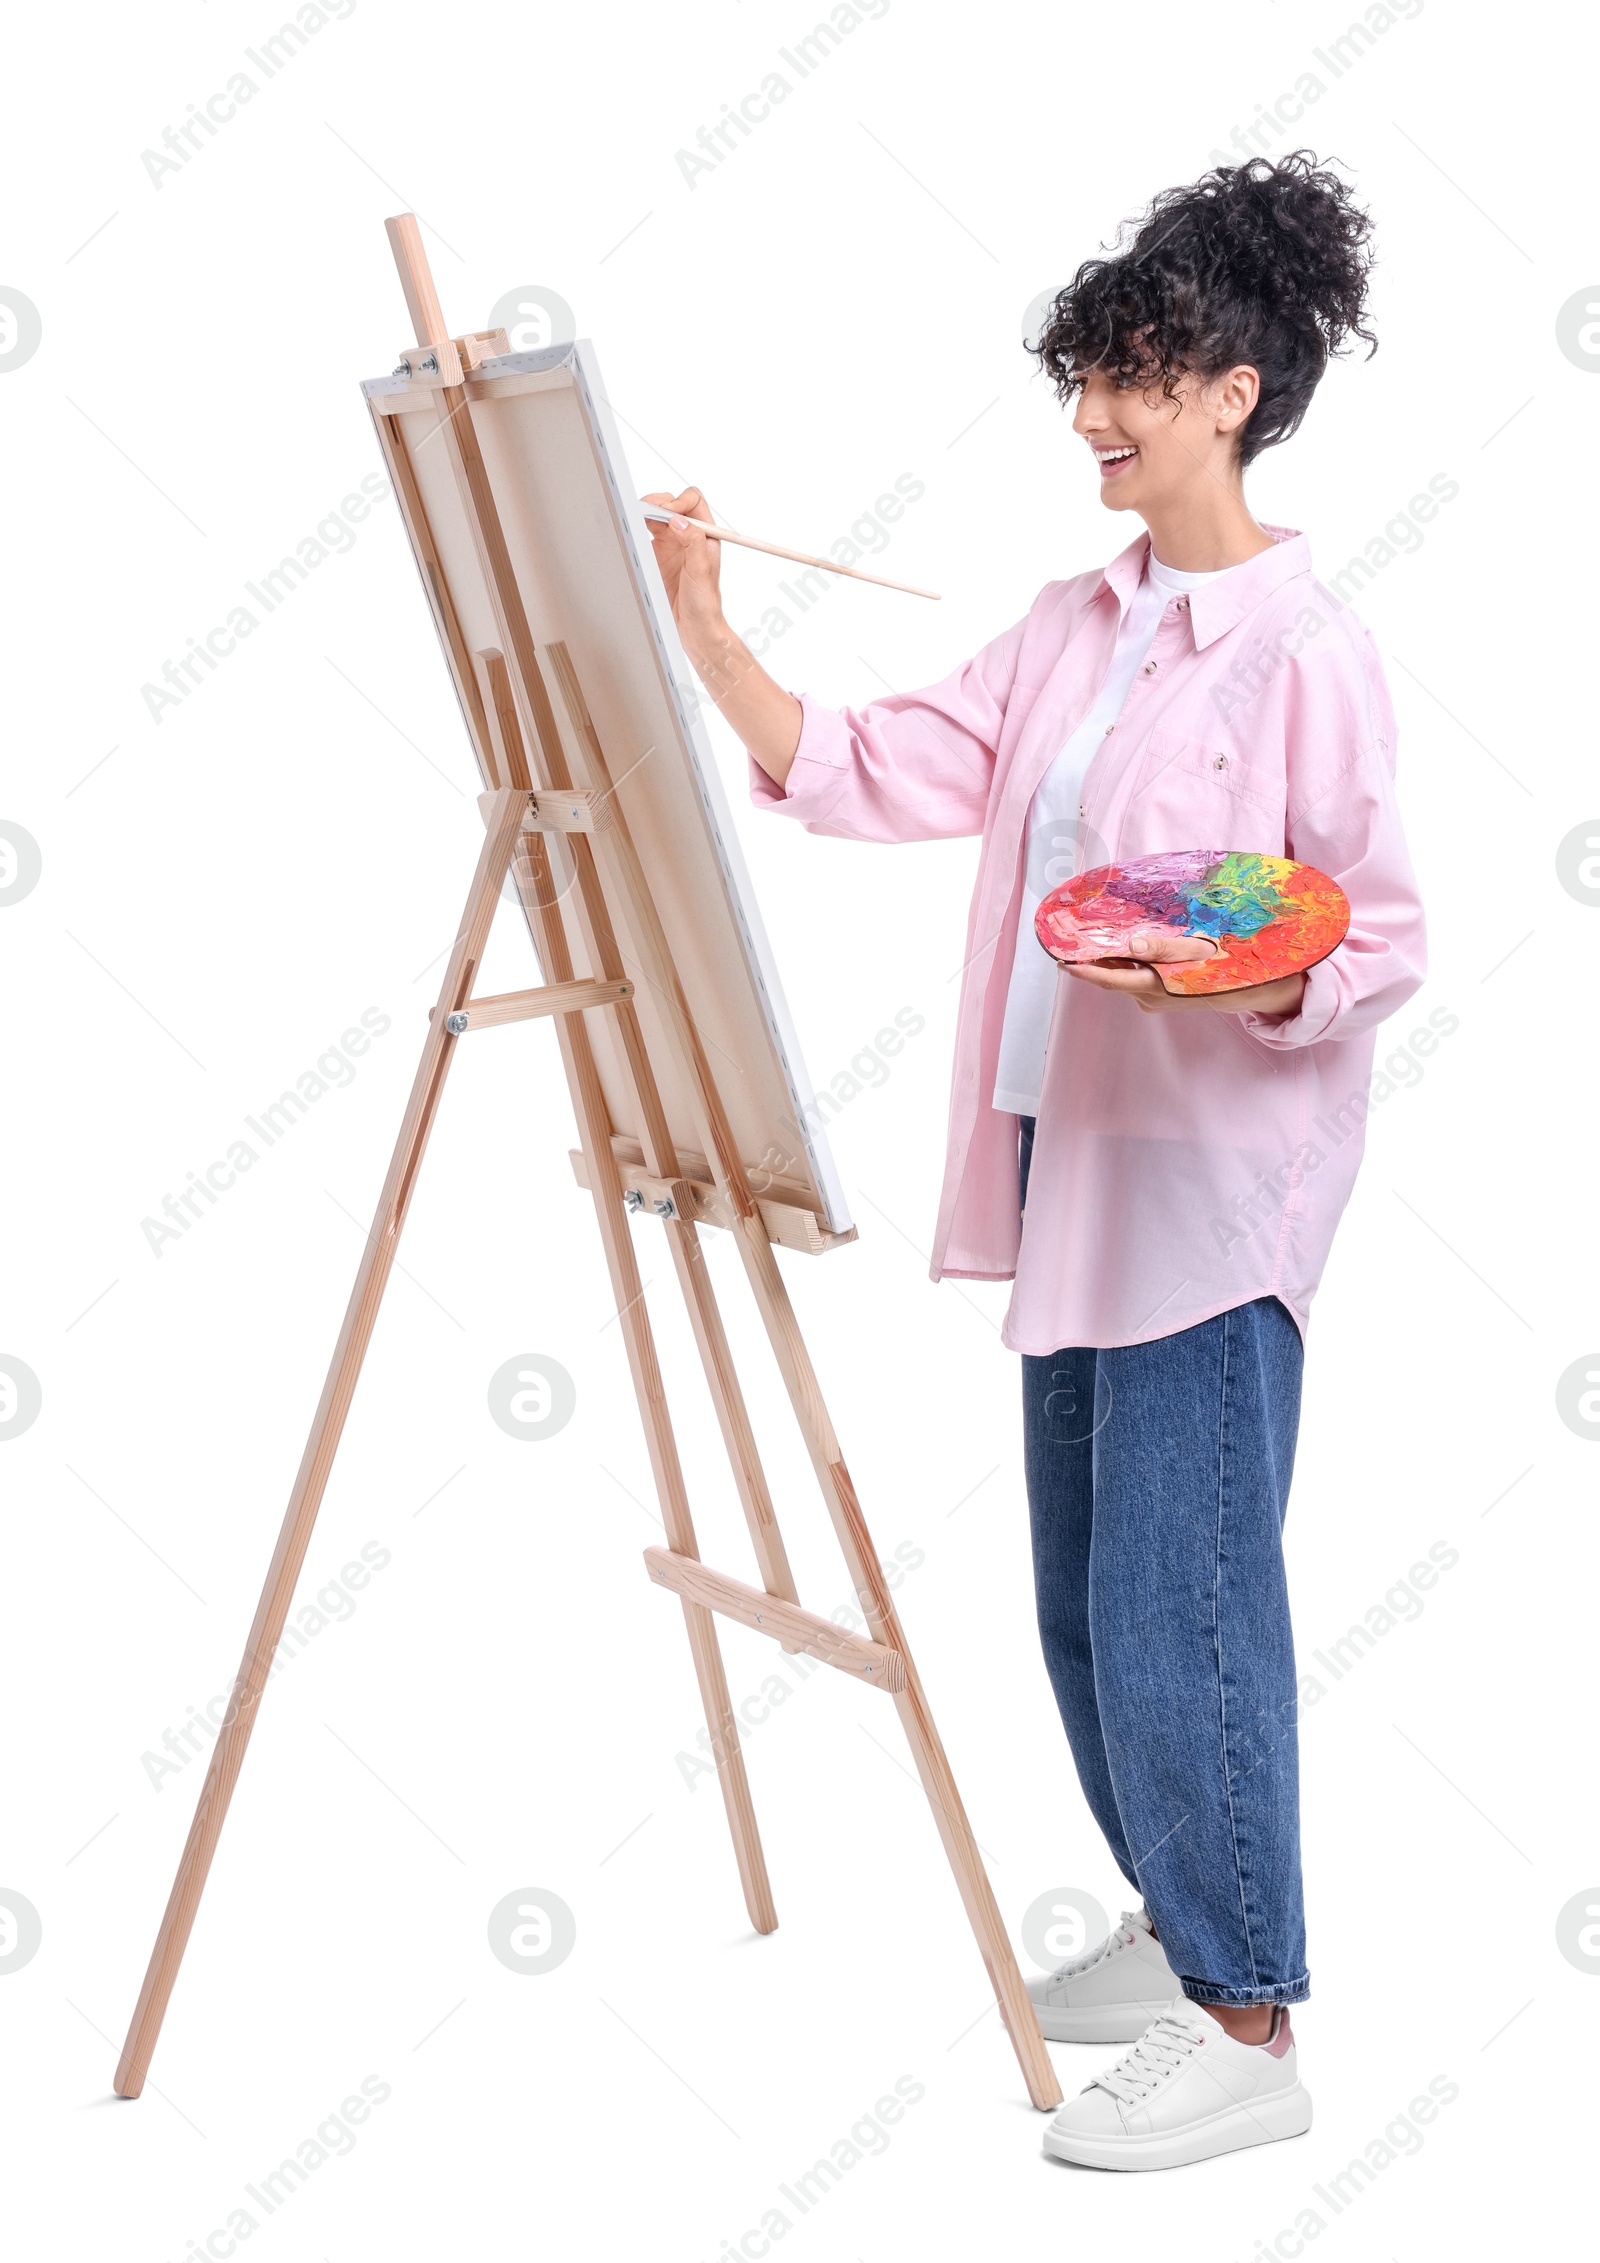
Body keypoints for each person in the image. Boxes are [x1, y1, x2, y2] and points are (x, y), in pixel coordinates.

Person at [643, 151, 1426, 2173]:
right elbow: (902, 764)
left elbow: (1371, 927)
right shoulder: (1075, 625)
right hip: (1062, 1163)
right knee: (1084, 1603)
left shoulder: (1301, 646)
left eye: (1130, 379)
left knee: (1186, 1604)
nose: (1091, 415)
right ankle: (1182, 1915)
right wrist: (708, 631)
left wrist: (1241, 982)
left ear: (1231, 392)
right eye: (1083, 377)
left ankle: (1245, 2012)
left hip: (1201, 1191)